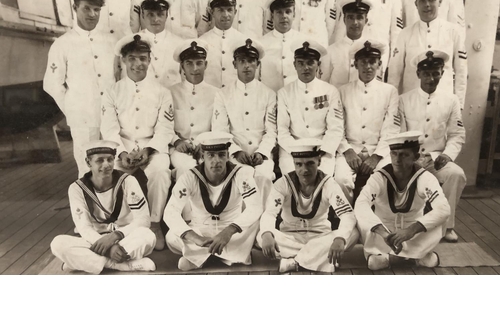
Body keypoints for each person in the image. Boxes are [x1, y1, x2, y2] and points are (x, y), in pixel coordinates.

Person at [100, 34, 176, 250]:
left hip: (151, 147)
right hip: (120, 148)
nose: (138, 64)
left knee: (161, 172)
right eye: (132, 58)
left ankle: (154, 224)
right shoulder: (112, 92)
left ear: (150, 59)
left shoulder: (162, 92)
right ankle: (120, 226)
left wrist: (149, 150)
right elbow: (109, 128)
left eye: (143, 58)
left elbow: (165, 127)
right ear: (123, 60)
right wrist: (121, 153)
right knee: (108, 172)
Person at [50, 140, 156, 274]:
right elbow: (84, 227)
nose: (106, 165)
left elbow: (143, 220)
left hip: (125, 237)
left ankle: (84, 262)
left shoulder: (127, 181)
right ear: (88, 163)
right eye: (99, 160)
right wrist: (108, 248)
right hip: (95, 241)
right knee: (58, 244)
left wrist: (115, 236)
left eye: (110, 159)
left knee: (147, 236)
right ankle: (120, 265)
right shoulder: (77, 188)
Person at [164, 131, 262, 271]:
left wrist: (228, 232)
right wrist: (195, 238)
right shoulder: (189, 177)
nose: (217, 161)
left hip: (231, 232)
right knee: (171, 237)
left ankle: (197, 258)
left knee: (254, 223)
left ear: (228, 156)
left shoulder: (241, 174)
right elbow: (170, 212)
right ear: (202, 157)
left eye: (222, 155)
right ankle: (227, 256)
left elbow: (255, 207)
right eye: (211, 155)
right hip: (201, 231)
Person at [43, 0, 115, 177]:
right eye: (87, 9)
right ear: (75, 8)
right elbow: (51, 83)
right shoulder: (62, 44)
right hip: (83, 117)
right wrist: (72, 108)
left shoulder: (109, 42)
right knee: (87, 167)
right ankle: (88, 205)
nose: (92, 14)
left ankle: (113, 206)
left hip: (110, 116)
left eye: (97, 10)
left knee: (114, 165)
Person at [355, 131, 450, 271]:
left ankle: (391, 258)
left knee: (438, 221)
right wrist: (384, 233)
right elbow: (361, 204)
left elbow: (443, 209)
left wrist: (411, 230)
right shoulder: (379, 177)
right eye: (394, 154)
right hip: (385, 232)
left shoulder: (425, 178)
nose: (397, 160)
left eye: (404, 155)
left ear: (415, 157)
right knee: (372, 258)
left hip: (413, 232)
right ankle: (415, 257)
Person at [259, 139, 358, 273]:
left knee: (353, 234)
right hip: (290, 237)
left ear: (319, 161)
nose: (304, 170)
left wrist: (339, 238)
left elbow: (347, 215)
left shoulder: (329, 183)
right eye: (299, 164)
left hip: (320, 237)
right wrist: (267, 234)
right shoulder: (283, 183)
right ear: (293, 164)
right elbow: (270, 213)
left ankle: (294, 261)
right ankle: (315, 258)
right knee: (260, 236)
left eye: (310, 163)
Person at [398, 50, 466, 242]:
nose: (431, 78)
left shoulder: (451, 100)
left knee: (456, 174)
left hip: (437, 160)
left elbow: (457, 134)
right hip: (410, 159)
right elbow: (400, 135)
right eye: (426, 73)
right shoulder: (405, 99)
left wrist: (446, 155)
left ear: (442, 73)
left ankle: (447, 226)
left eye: (435, 73)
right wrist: (412, 158)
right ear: (418, 74)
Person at [212, 38, 277, 207]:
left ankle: (261, 221)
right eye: (242, 61)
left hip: (261, 155)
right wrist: (236, 151)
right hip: (235, 154)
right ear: (234, 64)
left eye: (251, 61)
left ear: (258, 64)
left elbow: (272, 131)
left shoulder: (269, 94)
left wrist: (262, 153)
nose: (246, 66)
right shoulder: (223, 94)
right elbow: (221, 130)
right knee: (242, 175)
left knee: (263, 176)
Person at [335, 40, 400, 203]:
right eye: (363, 62)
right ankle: (347, 220)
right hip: (350, 148)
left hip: (378, 150)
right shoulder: (343, 91)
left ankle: (374, 220)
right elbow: (336, 126)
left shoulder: (390, 92)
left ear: (379, 64)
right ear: (355, 64)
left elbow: (391, 129)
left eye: (372, 62)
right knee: (341, 180)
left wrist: (376, 156)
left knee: (385, 177)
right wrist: (347, 150)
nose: (368, 67)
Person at [388, 0, 467, 109]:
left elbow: (461, 71)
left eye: (432, 0)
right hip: (411, 105)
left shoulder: (453, 32)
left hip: (442, 105)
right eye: (422, 0)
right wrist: (392, 105)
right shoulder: (405, 34)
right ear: (416, 4)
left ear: (440, 1)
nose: (427, 5)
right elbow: (394, 73)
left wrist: (458, 106)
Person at [277, 39, 344, 175]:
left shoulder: (330, 91)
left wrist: (323, 150)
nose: (305, 68)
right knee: (292, 179)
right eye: (301, 63)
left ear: (318, 65)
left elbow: (335, 128)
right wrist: (297, 151)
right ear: (294, 65)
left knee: (323, 179)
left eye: (310, 63)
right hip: (292, 150)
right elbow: (282, 130)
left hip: (321, 150)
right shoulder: (284, 93)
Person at [169, 39, 218, 178]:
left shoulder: (216, 94)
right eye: (189, 63)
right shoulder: (171, 93)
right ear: (182, 67)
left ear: (206, 65)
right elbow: (164, 125)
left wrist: (204, 144)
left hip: (208, 147)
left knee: (212, 169)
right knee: (187, 169)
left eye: (199, 63)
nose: (195, 68)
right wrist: (176, 141)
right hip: (180, 148)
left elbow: (218, 126)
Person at [260, 0, 312, 92]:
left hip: (297, 99)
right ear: (272, 16)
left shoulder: (305, 42)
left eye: (288, 12)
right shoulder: (261, 44)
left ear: (294, 15)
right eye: (279, 12)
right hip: (270, 100)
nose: (284, 16)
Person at [199, 0, 246, 88]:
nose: (225, 15)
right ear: (212, 12)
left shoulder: (243, 41)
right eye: (220, 10)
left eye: (229, 10)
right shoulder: (202, 42)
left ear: (235, 12)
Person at [321, 0, 373, 88]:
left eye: (360, 17)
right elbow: (323, 85)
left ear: (366, 21)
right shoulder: (331, 51)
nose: (355, 22)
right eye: (350, 17)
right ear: (344, 20)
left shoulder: (373, 51)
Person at [139, 0, 183, 88]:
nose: (155, 19)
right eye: (150, 14)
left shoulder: (179, 44)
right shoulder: (133, 42)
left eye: (160, 14)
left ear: (167, 15)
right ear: (142, 15)